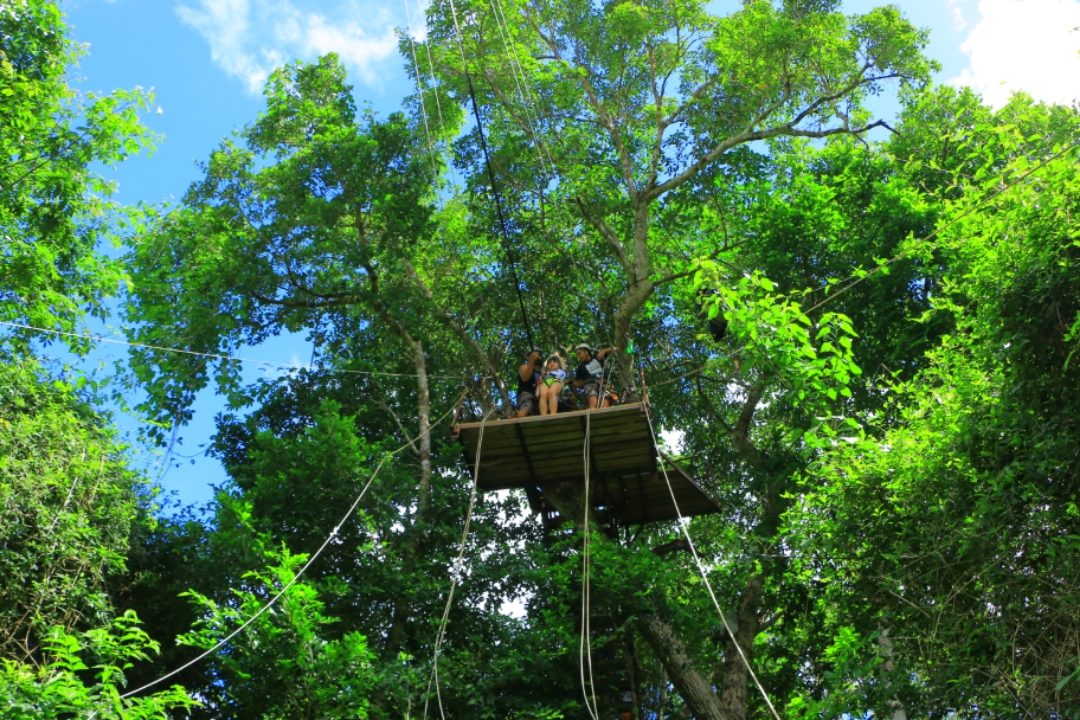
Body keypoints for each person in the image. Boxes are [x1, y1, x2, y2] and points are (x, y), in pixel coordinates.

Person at [571, 343, 615, 409]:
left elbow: (607, 351)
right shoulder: (580, 368)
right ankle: (593, 415)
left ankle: (603, 415)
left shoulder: (597, 358)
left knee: (604, 403)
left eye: (579, 353)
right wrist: (571, 383)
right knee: (593, 399)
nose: (578, 356)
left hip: (603, 384)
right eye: (577, 355)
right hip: (590, 385)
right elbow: (581, 384)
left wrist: (619, 348)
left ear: (586, 351)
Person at [516, 348, 542, 417]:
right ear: (527, 357)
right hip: (527, 393)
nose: (537, 356)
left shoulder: (541, 373)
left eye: (539, 355)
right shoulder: (524, 367)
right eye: (535, 354)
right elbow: (525, 378)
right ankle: (518, 422)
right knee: (527, 405)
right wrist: (532, 361)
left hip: (538, 397)